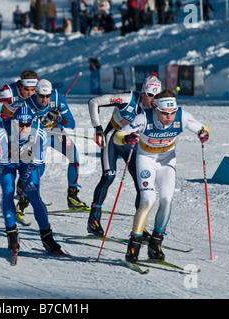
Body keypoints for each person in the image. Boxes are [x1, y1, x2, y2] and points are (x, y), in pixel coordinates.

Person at [113, 89, 210, 263]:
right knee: (148, 201)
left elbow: (202, 128)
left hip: (167, 161)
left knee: (166, 200)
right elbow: (118, 136)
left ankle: (155, 244)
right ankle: (133, 246)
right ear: (156, 110)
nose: (169, 117)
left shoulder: (182, 116)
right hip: (146, 160)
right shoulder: (144, 117)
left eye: (172, 113)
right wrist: (127, 139)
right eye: (165, 113)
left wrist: (203, 134)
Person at [86, 72, 161, 236]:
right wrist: (97, 127)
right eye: (150, 95)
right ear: (143, 93)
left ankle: (139, 227)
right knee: (109, 176)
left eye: (157, 96)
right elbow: (94, 101)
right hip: (112, 139)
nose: (153, 100)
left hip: (132, 146)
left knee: (143, 186)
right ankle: (94, 219)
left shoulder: (157, 110)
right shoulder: (127, 99)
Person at [0, 105, 64, 256]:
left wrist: (25, 154)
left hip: (28, 162)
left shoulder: (39, 131)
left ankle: (47, 237)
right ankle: (12, 234)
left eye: (28, 124)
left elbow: (38, 160)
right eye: (21, 125)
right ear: (15, 122)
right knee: (8, 192)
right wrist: (17, 153)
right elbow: (3, 160)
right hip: (8, 163)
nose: (24, 128)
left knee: (33, 195)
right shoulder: (2, 129)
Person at [26, 79, 87, 211]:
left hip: (55, 132)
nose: (45, 99)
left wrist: (58, 118)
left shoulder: (58, 98)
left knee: (74, 157)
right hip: (38, 134)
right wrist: (36, 123)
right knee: (39, 168)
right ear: (35, 94)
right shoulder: (28, 103)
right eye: (41, 96)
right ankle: (24, 198)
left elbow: (71, 123)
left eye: (47, 96)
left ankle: (72, 197)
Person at [0, 70, 39, 200]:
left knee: (30, 152)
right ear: (20, 86)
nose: (30, 93)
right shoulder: (8, 93)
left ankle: (21, 188)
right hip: (9, 121)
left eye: (33, 89)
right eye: (27, 89)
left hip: (26, 123)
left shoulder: (37, 92)